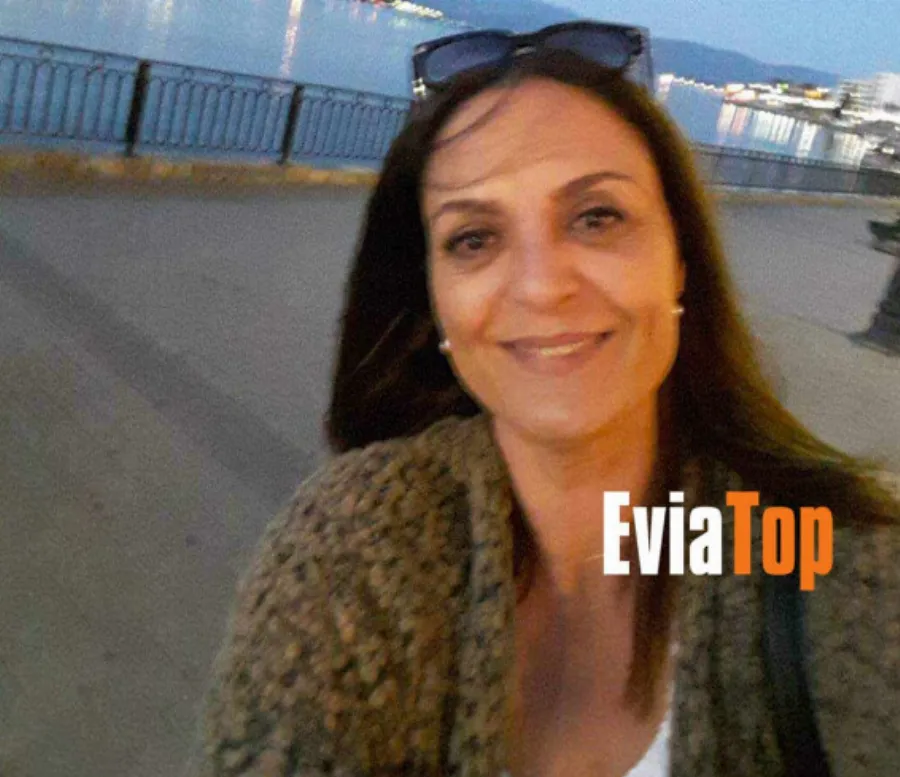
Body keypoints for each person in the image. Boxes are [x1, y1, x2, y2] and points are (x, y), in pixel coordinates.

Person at [197, 30, 900, 777]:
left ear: (679, 260)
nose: (540, 286)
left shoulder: (835, 568)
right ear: (434, 302)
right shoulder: (349, 544)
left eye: (596, 217)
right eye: (474, 238)